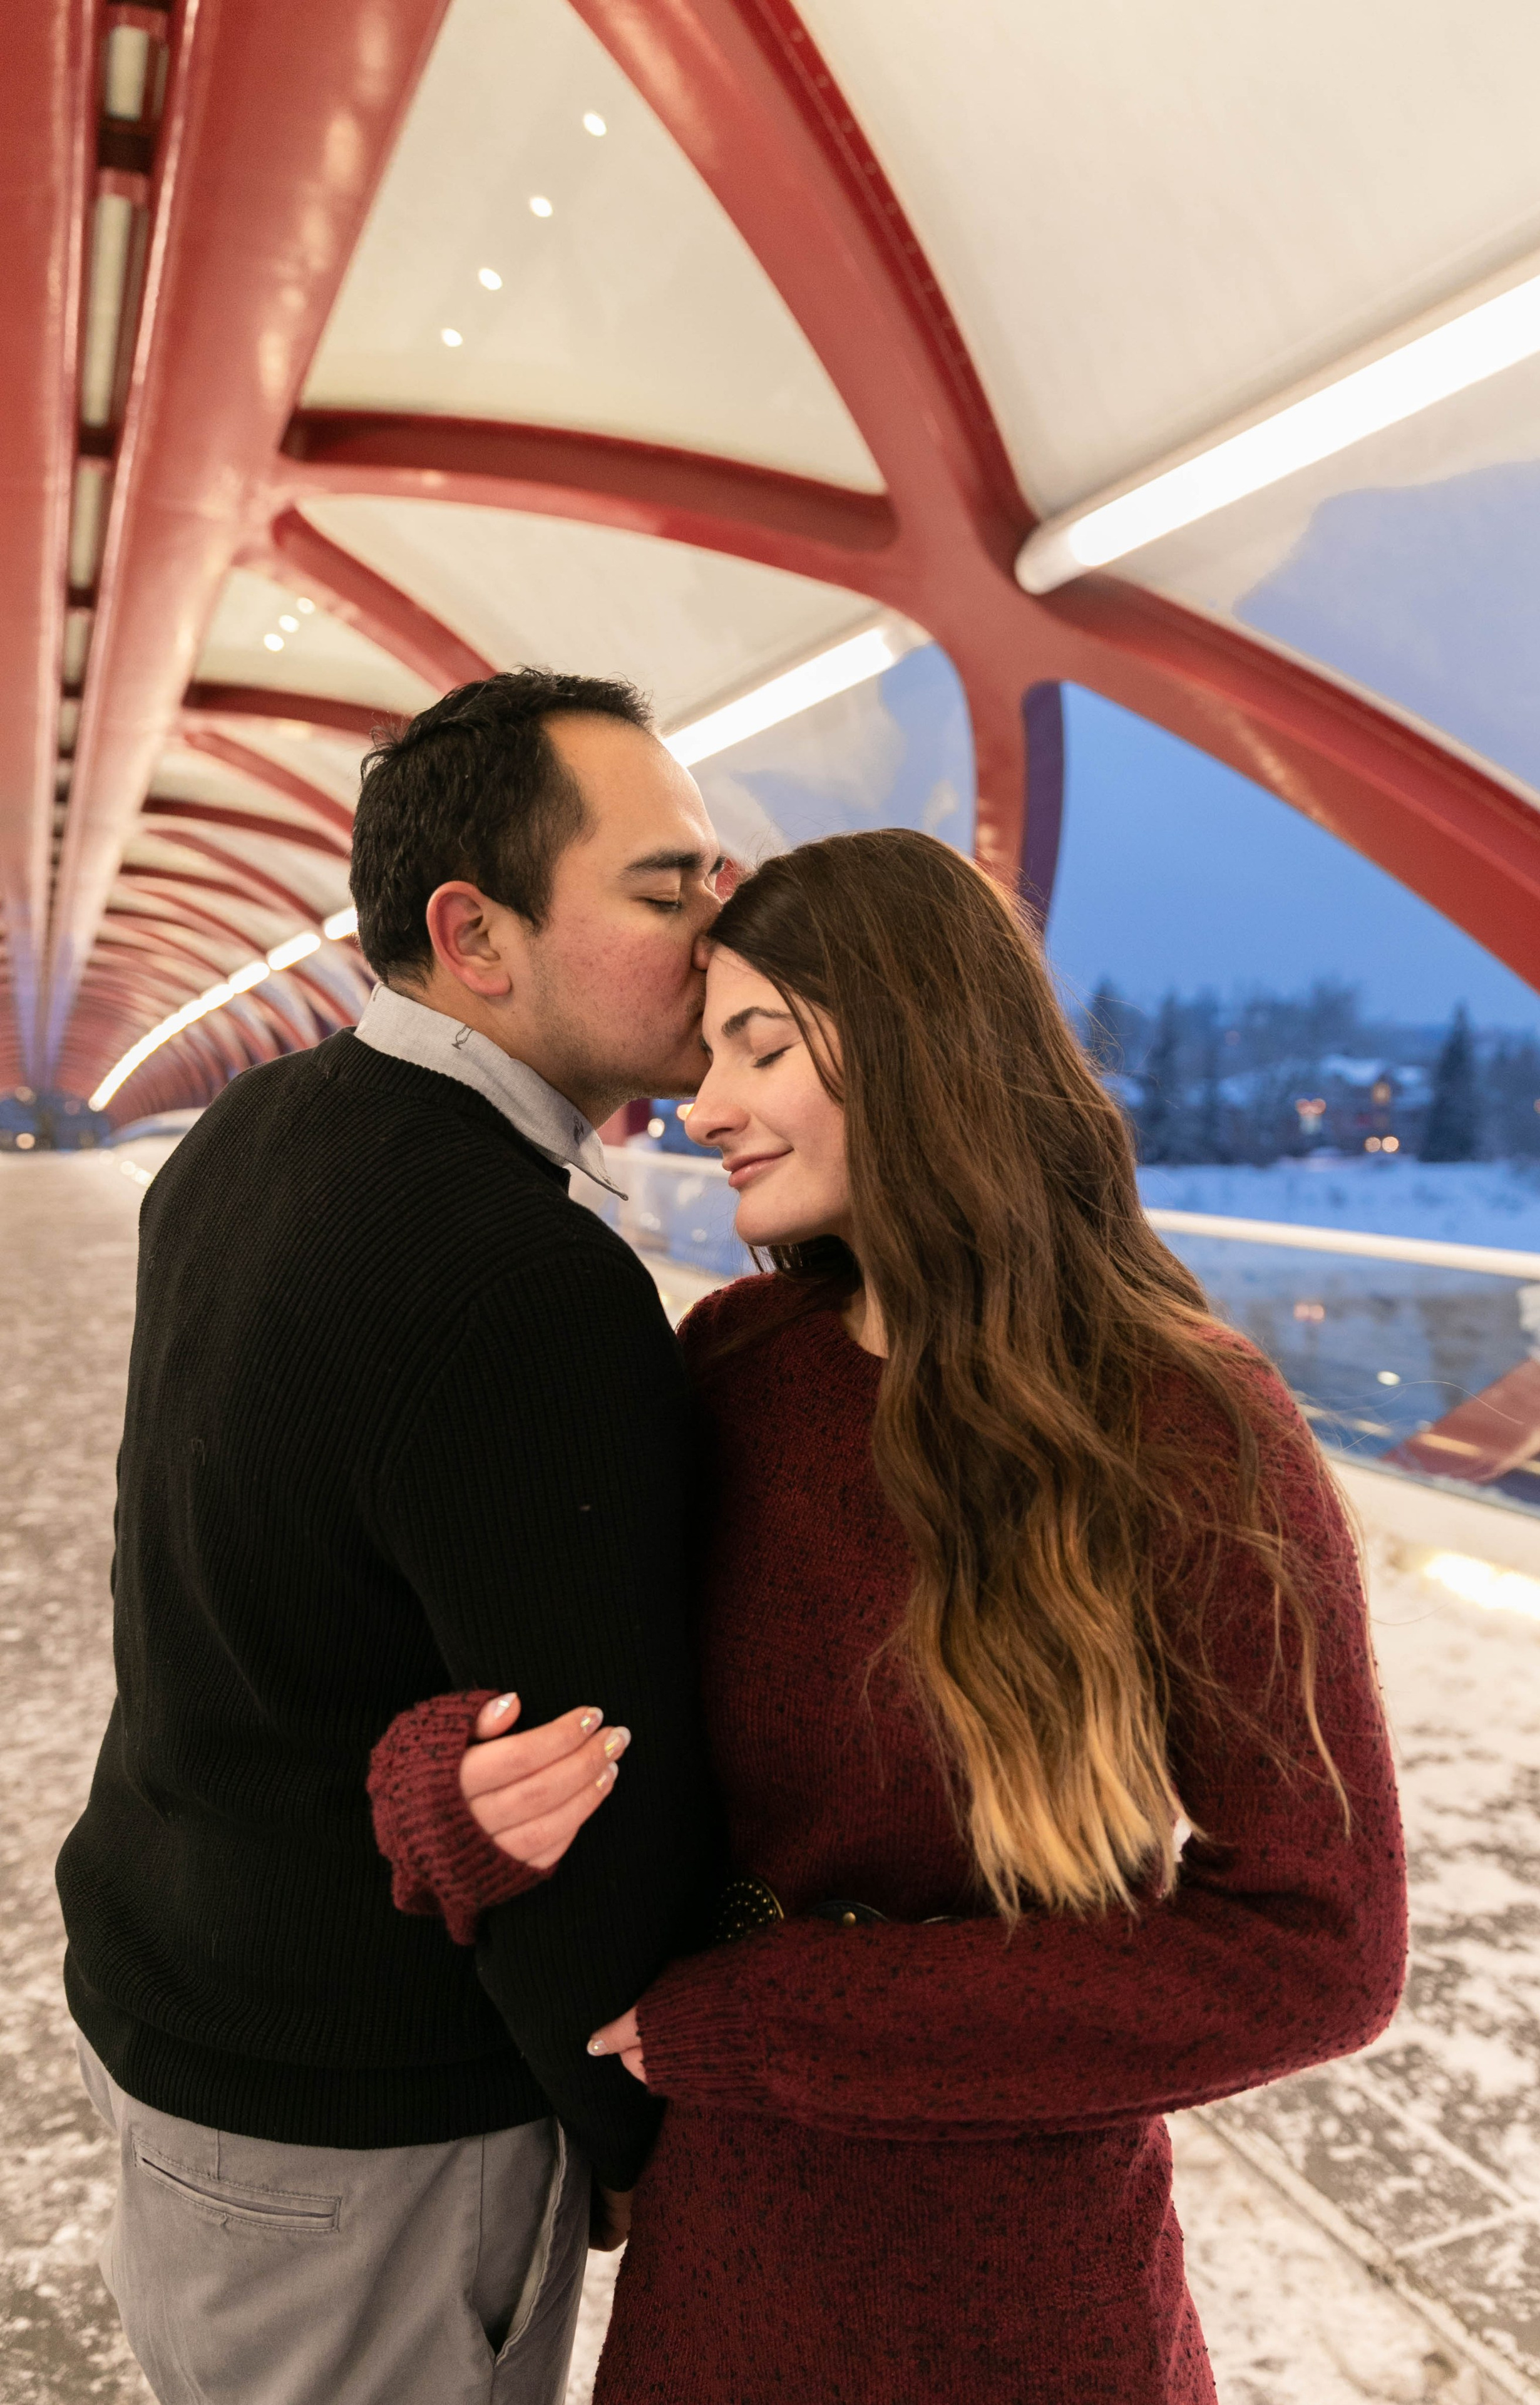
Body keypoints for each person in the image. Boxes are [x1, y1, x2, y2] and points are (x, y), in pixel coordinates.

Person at [374, 827, 1410, 2404]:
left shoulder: (1184, 1420)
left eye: (759, 1045)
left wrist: (790, 2017)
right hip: (721, 2278)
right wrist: (449, 1790)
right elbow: (565, 1689)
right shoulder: (733, 1363)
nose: (701, 1104)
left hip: (1031, 2301)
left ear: (921, 1039)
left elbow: (1318, 1948)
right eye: (704, 1048)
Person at [56, 669, 726, 2405]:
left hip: (180, 1997)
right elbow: (586, 1781)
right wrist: (636, 2132)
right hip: (365, 2122)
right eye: (668, 888)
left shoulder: (254, 1132)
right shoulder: (522, 1275)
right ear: (474, 933)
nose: (723, 929)